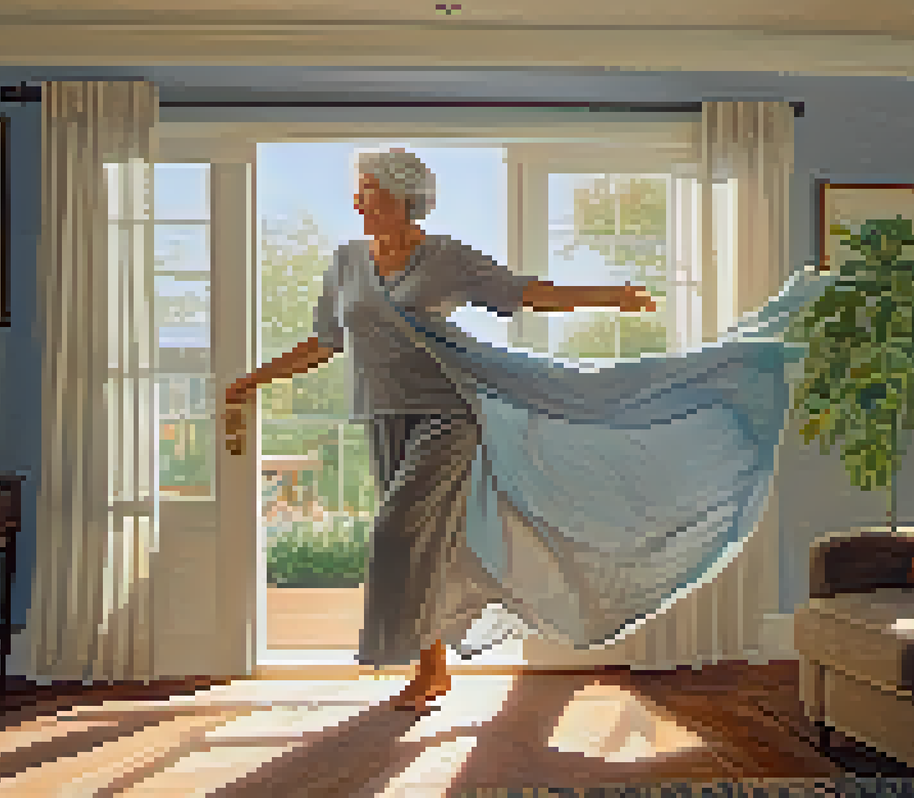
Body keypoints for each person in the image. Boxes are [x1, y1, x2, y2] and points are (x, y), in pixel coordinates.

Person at [223, 148, 656, 712]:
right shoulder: (346, 261)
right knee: (425, 542)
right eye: (359, 191)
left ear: (405, 201)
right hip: (382, 414)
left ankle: (391, 648)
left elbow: (522, 291)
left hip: (450, 412)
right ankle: (432, 673)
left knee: (396, 528)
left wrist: (611, 297)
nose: (359, 201)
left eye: (370, 192)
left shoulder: (445, 258)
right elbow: (325, 343)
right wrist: (252, 380)